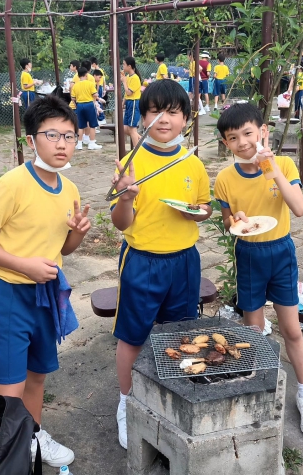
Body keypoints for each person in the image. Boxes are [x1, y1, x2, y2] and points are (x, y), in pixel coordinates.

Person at [0, 95, 88, 468]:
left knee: (36, 376)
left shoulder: (69, 189)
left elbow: (63, 248)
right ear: (32, 140)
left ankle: (31, 438)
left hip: (45, 295)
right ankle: (7, 454)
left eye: (69, 136)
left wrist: (78, 234)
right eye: (52, 135)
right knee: (9, 386)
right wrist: (24, 266)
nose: (62, 144)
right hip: (6, 295)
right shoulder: (12, 184)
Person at [110, 79, 211, 450]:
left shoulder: (193, 163)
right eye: (154, 111)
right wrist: (126, 197)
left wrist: (198, 213)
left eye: (172, 111)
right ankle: (126, 403)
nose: (163, 119)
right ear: (143, 117)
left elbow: (204, 207)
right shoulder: (131, 163)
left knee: (178, 334)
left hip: (184, 262)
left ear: (185, 118)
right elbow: (121, 223)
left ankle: (173, 393)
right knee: (132, 336)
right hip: (142, 261)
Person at [214, 103, 303, 438]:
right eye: (233, 138)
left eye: (248, 133)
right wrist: (236, 219)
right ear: (226, 143)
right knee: (254, 329)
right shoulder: (225, 178)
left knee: (291, 329)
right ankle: (257, 389)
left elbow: (299, 208)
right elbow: (229, 221)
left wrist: (271, 169)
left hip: (280, 252)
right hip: (248, 254)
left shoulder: (284, 164)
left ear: (262, 131)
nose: (242, 142)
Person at [71, 67, 102, 151]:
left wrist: (76, 105)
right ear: (86, 75)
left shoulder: (75, 85)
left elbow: (73, 98)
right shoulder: (90, 84)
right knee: (92, 124)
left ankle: (79, 144)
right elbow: (95, 94)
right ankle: (92, 143)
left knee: (81, 125)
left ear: (78, 75)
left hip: (79, 105)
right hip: (89, 104)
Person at [121, 56, 142, 147]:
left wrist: (124, 82)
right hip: (129, 102)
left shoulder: (135, 78)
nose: (123, 66)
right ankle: (141, 139)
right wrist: (123, 102)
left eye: (124, 64)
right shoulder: (128, 77)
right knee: (125, 127)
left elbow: (129, 92)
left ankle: (136, 150)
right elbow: (126, 94)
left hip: (134, 102)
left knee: (132, 128)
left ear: (129, 66)